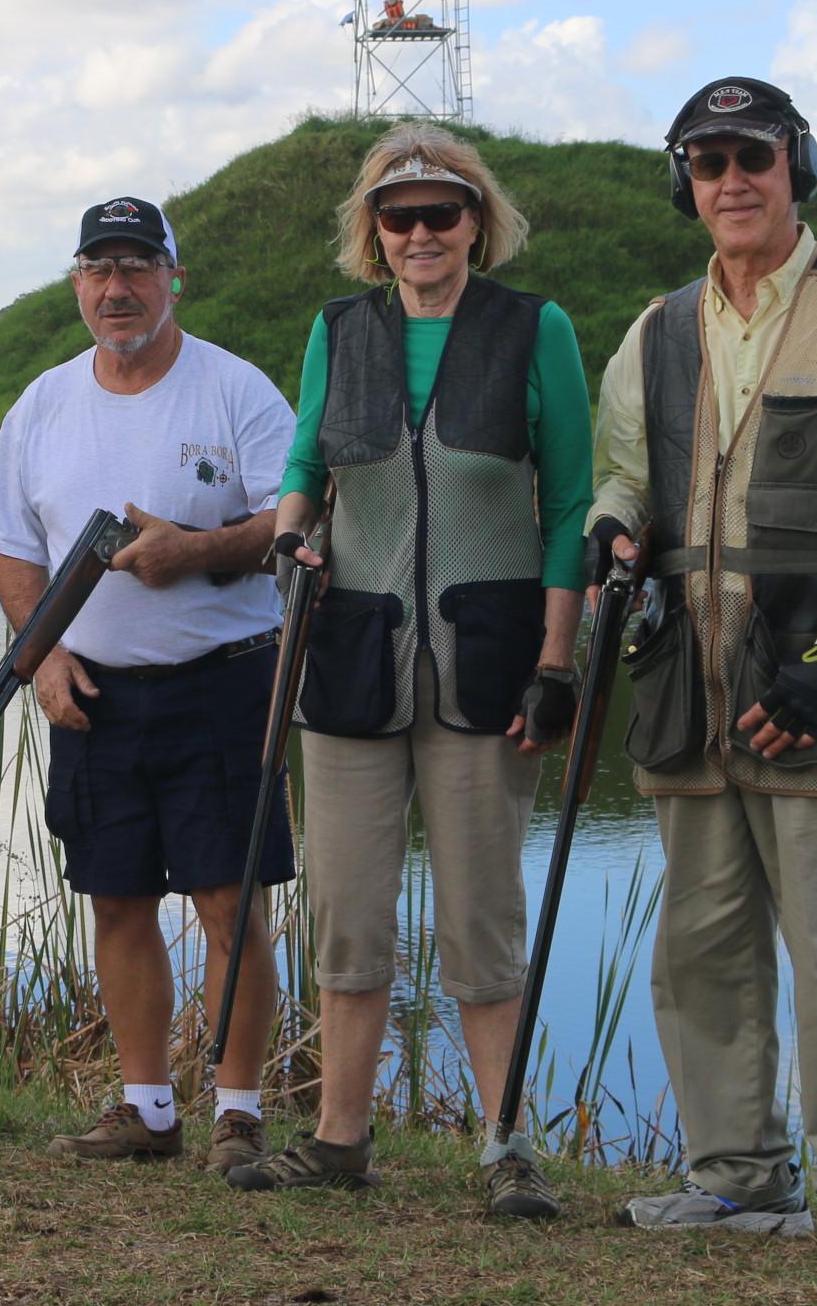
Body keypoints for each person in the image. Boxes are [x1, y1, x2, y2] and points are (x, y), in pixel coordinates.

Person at [590, 76, 817, 1265]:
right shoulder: (654, 331)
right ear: (683, 182)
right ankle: (735, 1177)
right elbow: (624, 477)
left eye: (755, 156)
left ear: (800, 165)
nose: (732, 181)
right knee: (699, 951)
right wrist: (612, 524)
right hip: (685, 693)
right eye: (707, 162)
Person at [226, 123, 593, 1218]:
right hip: (351, 659)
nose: (422, 233)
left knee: (482, 914)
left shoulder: (537, 329)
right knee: (346, 909)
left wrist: (557, 658)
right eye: (400, 217)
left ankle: (504, 1145)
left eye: (443, 212)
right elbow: (303, 462)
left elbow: (571, 500)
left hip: (487, 660)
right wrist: (293, 534)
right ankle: (340, 1139)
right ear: (373, 233)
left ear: (479, 221)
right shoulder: (340, 330)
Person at [0, 195, 296, 1175]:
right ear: (77, 284)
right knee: (115, 897)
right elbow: (14, 548)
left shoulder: (236, 392)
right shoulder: (44, 403)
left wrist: (194, 552)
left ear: (172, 279)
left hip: (223, 684)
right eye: (98, 271)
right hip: (95, 694)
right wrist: (44, 656)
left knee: (229, 903)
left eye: (136, 269)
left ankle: (238, 1110)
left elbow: (294, 523)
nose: (117, 290)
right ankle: (147, 1107)